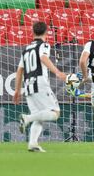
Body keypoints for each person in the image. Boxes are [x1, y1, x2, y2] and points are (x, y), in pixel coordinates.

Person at [13, 21, 67, 153]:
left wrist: (17, 90)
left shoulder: (26, 49)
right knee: (55, 113)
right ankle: (27, 119)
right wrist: (57, 72)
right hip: (40, 83)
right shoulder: (44, 45)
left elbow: (20, 70)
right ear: (46, 33)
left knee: (39, 115)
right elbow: (43, 57)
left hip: (28, 85)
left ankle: (32, 143)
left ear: (32, 32)